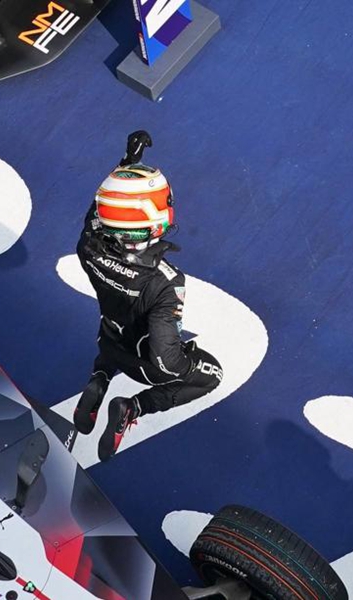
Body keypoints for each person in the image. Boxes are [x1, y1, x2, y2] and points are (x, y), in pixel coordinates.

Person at [74, 131, 223, 462]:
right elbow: (166, 362)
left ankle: (99, 379)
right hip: (143, 365)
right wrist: (189, 361)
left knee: (115, 327)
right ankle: (133, 407)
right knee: (212, 376)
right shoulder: (166, 282)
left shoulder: (88, 246)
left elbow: (99, 211)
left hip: (108, 341)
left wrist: (128, 164)